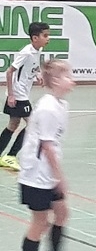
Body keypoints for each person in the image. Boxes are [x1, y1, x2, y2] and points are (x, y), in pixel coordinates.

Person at [14, 60, 86, 251]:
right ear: (55, 80)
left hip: (48, 173)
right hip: (36, 174)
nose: (72, 80)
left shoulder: (61, 104)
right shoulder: (47, 109)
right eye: (67, 76)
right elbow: (46, 147)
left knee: (62, 213)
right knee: (40, 222)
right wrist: (59, 177)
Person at [0, 22, 50, 171]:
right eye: (45, 35)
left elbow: (33, 65)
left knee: (13, 124)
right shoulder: (26, 52)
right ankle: (11, 156)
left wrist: (38, 73)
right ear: (35, 38)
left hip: (21, 93)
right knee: (33, 124)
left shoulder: (37, 50)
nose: (48, 38)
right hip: (19, 95)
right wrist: (11, 94)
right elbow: (9, 71)